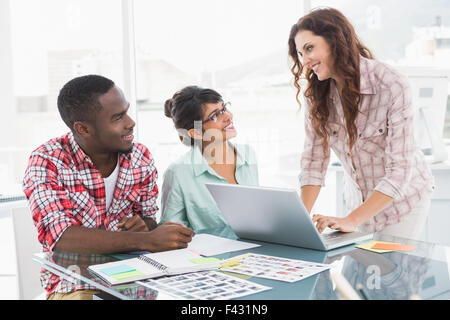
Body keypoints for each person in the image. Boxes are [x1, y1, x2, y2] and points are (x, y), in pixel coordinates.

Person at [22, 75, 194, 299]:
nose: (131, 122)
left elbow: (149, 219)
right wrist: (146, 240)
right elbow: (62, 239)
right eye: (117, 117)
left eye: (127, 111)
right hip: (75, 283)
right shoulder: (48, 160)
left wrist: (144, 226)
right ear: (83, 129)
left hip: (136, 280)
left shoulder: (140, 156)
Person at [287, 8, 434, 240]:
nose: (305, 60)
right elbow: (314, 163)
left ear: (334, 40)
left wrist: (351, 220)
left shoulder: (391, 85)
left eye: (309, 48)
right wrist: (299, 222)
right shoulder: (315, 96)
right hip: (358, 202)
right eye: (300, 53)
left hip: (403, 203)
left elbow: (400, 171)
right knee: (358, 274)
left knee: (393, 271)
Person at [160, 86, 259, 238]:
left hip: (257, 249)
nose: (227, 116)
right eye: (215, 115)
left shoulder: (247, 154)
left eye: (224, 108)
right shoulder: (179, 172)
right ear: (196, 132)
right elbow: (170, 232)